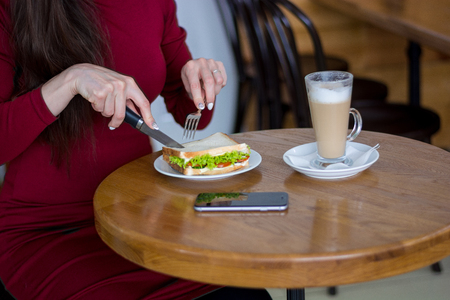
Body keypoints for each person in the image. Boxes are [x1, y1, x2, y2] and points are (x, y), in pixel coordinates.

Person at [0, 0, 273, 299]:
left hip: (141, 217)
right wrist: (69, 81)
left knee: (246, 294)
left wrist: (201, 82)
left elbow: (188, 112)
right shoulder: (12, 7)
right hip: (49, 230)